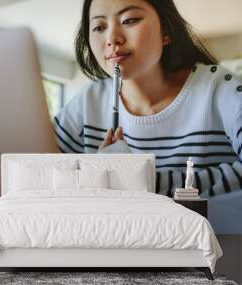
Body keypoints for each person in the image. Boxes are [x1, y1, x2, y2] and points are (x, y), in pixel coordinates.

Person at [53, 0, 242, 197]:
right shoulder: (88, 100)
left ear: (166, 31)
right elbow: (42, 176)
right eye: (99, 27)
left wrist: (140, 182)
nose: (112, 39)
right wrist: (95, 176)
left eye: (129, 20)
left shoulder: (219, 87)